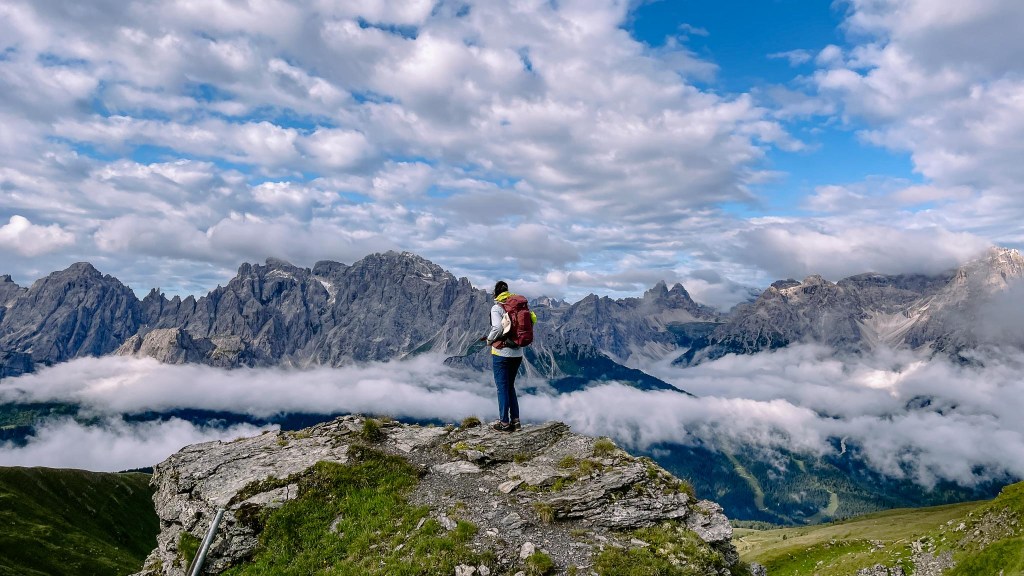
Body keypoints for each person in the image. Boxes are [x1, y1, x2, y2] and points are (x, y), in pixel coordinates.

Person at [486, 280, 536, 432]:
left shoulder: (497, 308)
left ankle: (504, 423)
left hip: (501, 354)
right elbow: (533, 319)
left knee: (502, 388)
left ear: (495, 293)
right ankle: (516, 421)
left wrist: (489, 340)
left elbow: (496, 328)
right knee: (510, 386)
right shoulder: (520, 306)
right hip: (518, 353)